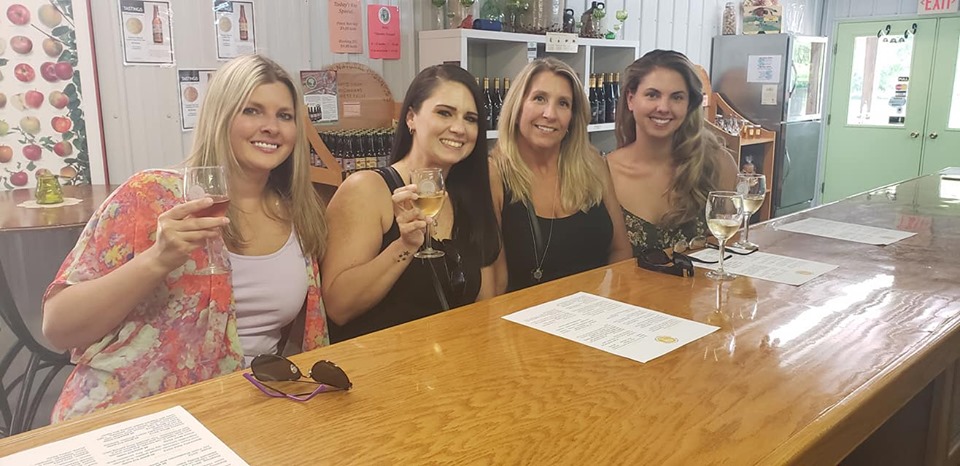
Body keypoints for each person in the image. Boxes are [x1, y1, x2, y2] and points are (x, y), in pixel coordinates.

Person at [41, 55, 329, 422]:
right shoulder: (148, 195)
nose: (271, 127)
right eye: (252, 111)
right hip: (133, 413)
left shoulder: (300, 213)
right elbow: (59, 327)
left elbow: (303, 338)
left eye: (284, 116)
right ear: (220, 116)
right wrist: (156, 260)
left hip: (242, 412)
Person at [321, 64, 500, 343]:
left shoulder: (470, 196)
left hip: (453, 359)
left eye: (471, 118)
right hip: (383, 363)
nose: (459, 128)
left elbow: (485, 302)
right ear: (411, 118)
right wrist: (404, 246)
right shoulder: (367, 189)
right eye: (444, 113)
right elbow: (338, 307)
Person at [491, 58, 632, 293]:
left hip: (596, 310)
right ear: (517, 107)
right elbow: (496, 283)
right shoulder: (494, 174)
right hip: (524, 313)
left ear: (573, 118)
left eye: (563, 104)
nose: (550, 114)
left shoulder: (593, 164)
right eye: (539, 98)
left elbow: (620, 250)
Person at [606, 50, 738, 256]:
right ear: (631, 100)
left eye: (677, 97)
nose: (663, 107)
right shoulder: (604, 172)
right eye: (652, 95)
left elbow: (729, 249)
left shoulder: (718, 164)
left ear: (689, 105)